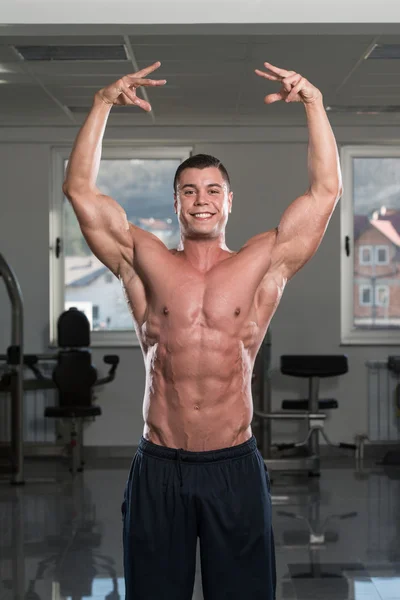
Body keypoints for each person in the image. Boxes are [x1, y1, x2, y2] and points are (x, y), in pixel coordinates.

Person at [63, 60, 342, 600]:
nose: (202, 200)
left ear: (229, 201)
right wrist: (101, 102)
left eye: (213, 190)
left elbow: (325, 192)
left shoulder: (262, 262)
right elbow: (80, 191)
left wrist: (314, 103)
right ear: (176, 203)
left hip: (233, 466)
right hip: (160, 465)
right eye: (189, 191)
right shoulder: (143, 260)